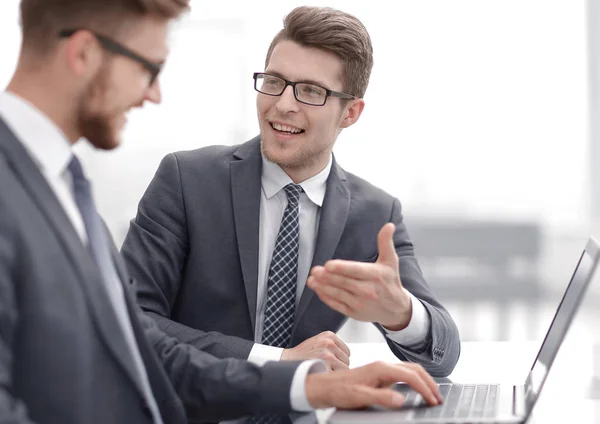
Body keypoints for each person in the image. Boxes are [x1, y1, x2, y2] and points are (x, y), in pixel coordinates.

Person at [0, 0, 444, 423]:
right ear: (83, 54)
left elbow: (142, 346)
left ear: (351, 113)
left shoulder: (65, 190)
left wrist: (310, 386)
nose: (154, 94)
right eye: (148, 68)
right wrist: (288, 367)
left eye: (310, 91)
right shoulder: (170, 180)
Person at [121, 6, 460, 378]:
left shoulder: (375, 214)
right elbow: (130, 321)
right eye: (273, 82)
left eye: (310, 91)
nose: (283, 104)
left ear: (350, 113)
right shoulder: (186, 181)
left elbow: (443, 355)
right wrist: (277, 362)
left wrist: (402, 313)